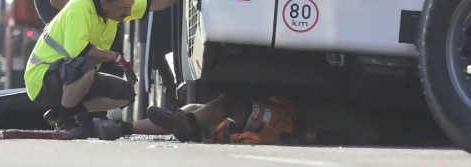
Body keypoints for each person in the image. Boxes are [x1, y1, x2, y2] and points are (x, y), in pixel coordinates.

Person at [24, 0, 185, 139]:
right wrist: (115, 57)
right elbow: (78, 52)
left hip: (71, 76)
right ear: (104, 4)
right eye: (124, 9)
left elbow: (153, 2)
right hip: (41, 79)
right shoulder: (80, 8)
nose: (129, 12)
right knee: (85, 64)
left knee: (125, 94)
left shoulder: (116, 8)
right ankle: (65, 121)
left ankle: (59, 113)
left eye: (130, 6)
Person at [132, 94, 380, 145]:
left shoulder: (285, 119)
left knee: (228, 102)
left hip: (265, 128)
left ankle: (126, 126)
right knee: (196, 111)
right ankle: (124, 126)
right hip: (268, 128)